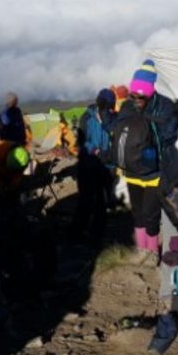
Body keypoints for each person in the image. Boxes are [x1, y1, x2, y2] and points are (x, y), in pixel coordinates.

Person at [117, 59, 178, 259]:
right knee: (137, 212)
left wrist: (146, 125)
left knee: (150, 212)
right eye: (134, 93)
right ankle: (142, 249)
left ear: (150, 90)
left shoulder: (164, 106)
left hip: (155, 169)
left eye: (141, 95)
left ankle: (152, 252)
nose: (136, 98)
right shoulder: (128, 106)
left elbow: (170, 135)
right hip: (132, 169)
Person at [71, 88, 117, 247]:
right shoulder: (87, 118)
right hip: (88, 165)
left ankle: (96, 237)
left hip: (106, 165)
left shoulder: (112, 117)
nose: (111, 109)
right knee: (86, 201)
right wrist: (95, 150)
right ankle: (75, 234)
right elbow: (82, 141)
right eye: (109, 106)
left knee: (102, 203)